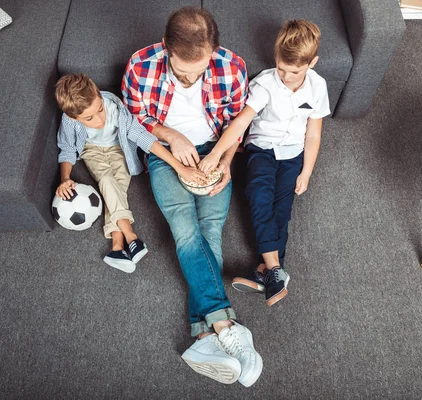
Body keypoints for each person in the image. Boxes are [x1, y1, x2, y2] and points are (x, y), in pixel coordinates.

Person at [122, 6, 262, 387]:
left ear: (213, 49)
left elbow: (237, 123)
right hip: (166, 155)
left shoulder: (231, 66)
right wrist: (172, 138)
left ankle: (203, 337)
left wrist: (227, 160)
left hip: (216, 151)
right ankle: (225, 324)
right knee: (185, 231)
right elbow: (136, 123)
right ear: (166, 46)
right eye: (184, 71)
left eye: (200, 70)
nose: (192, 78)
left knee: (212, 228)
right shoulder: (140, 66)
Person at [199, 20, 330, 306]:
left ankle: (266, 271)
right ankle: (274, 270)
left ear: (312, 63)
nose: (286, 76)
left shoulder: (318, 87)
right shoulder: (265, 83)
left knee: (282, 209)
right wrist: (215, 154)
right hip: (261, 148)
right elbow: (240, 123)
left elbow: (314, 133)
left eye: (294, 71)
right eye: (281, 68)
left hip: (293, 154)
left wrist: (306, 171)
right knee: (259, 196)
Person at [55, 73, 205, 273]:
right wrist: (65, 178)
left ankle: (117, 248)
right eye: (89, 118)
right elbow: (66, 148)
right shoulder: (69, 120)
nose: (100, 119)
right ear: (73, 117)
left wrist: (180, 168)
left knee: (115, 188)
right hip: (92, 151)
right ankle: (131, 237)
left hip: (120, 150)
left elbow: (143, 137)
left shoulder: (115, 108)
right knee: (107, 181)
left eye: (100, 109)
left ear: (100, 96)